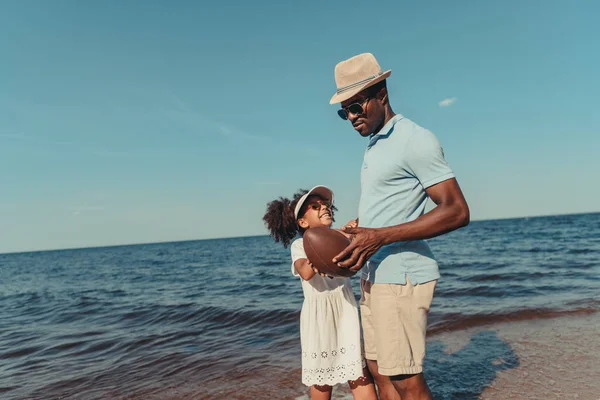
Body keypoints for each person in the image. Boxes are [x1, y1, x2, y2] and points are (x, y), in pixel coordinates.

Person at [328, 53, 470, 400]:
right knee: (380, 371)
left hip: (402, 275)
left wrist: (380, 236)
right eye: (344, 110)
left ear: (382, 95)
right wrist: (362, 229)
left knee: (406, 378)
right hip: (375, 274)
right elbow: (394, 206)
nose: (350, 117)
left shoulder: (413, 138)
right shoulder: (376, 145)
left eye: (356, 106)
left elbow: (456, 210)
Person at [263, 186, 377, 400]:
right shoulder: (299, 246)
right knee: (321, 378)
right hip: (319, 317)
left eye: (326, 205)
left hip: (345, 309)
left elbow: (356, 244)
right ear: (303, 222)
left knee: (358, 373)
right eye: (315, 206)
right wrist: (318, 260)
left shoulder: (341, 237)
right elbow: (305, 272)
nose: (324, 208)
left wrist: (353, 229)